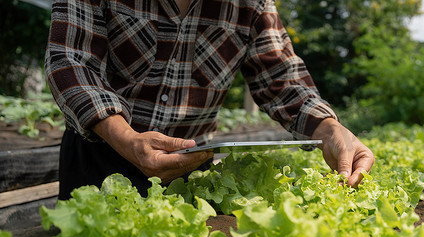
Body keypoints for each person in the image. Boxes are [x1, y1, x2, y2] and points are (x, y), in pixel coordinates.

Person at [45, 0, 374, 200]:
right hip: (101, 153)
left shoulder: (252, 5)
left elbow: (282, 80)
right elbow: (70, 60)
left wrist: (330, 129)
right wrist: (127, 138)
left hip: (188, 166)